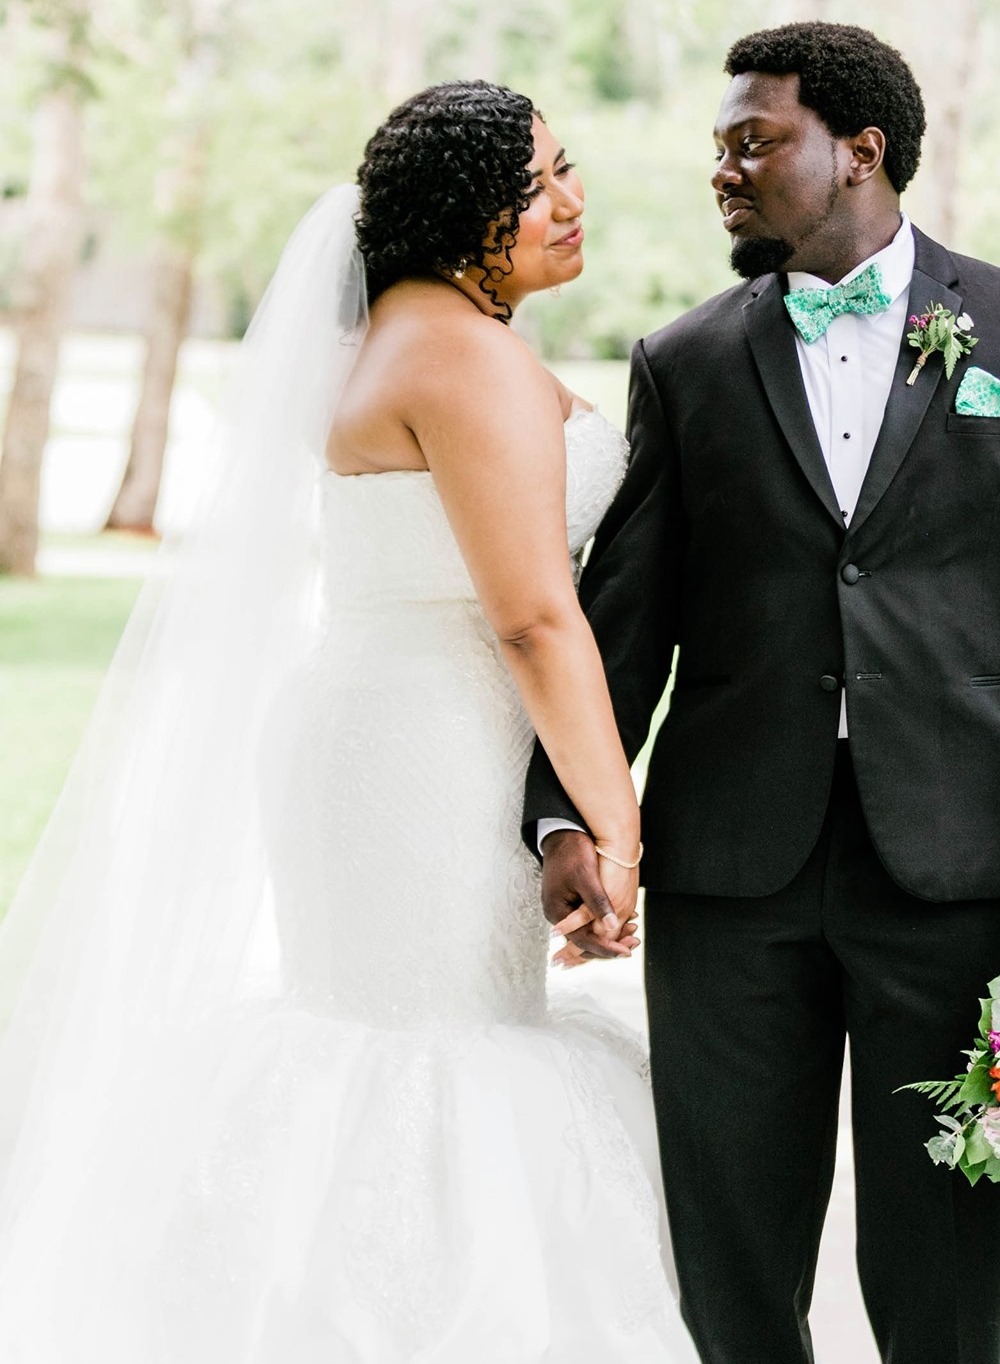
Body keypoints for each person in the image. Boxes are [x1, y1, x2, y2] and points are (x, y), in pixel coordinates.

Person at [0, 81, 700, 1362]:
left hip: (372, 722)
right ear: (460, 216)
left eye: (569, 166)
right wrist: (615, 823)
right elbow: (538, 617)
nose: (571, 198)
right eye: (538, 183)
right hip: (429, 749)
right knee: (431, 1050)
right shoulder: (461, 355)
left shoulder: (390, 336)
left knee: (373, 1030)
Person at [526, 22, 1000, 1364]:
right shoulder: (683, 362)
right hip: (728, 875)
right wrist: (566, 816)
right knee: (733, 1248)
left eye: (753, 143)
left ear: (859, 153)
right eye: (718, 147)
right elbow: (622, 625)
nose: (724, 171)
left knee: (948, 1256)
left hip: (954, 867)